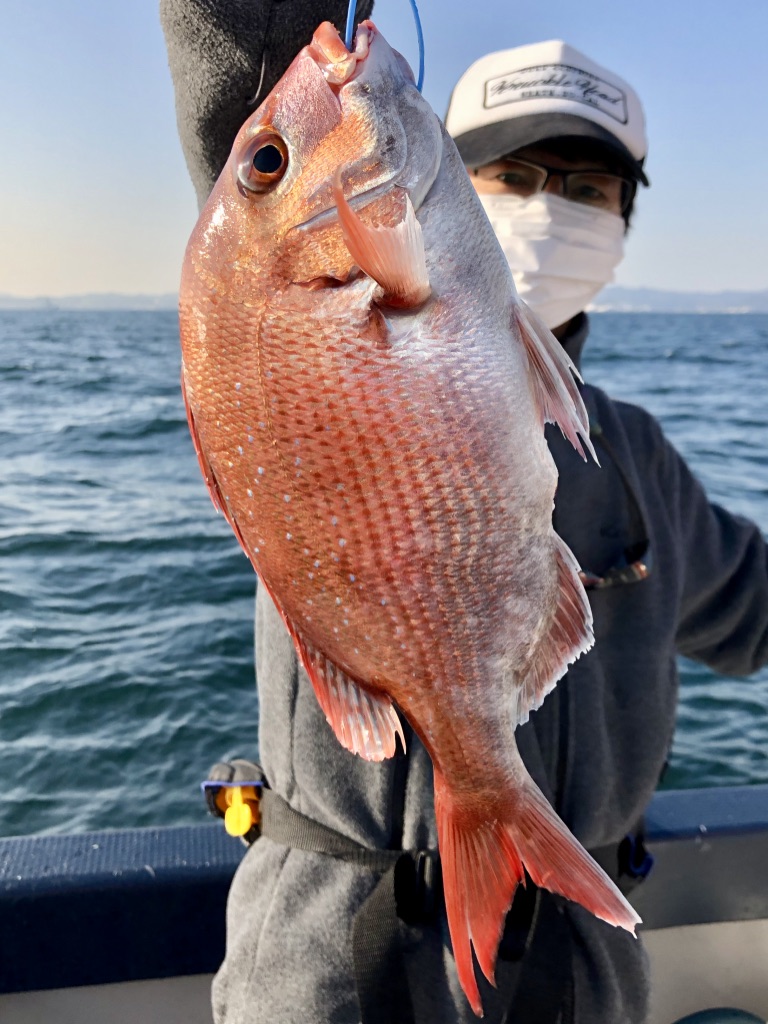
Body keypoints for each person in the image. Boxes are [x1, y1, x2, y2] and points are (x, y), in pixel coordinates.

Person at [160, 6, 768, 1022]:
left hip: (578, 983)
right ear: (451, 168)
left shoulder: (641, 459)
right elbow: (255, 83)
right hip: (325, 970)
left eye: (588, 188)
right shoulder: (287, 265)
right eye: (515, 173)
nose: (551, 205)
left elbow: (755, 613)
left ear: (625, 220)